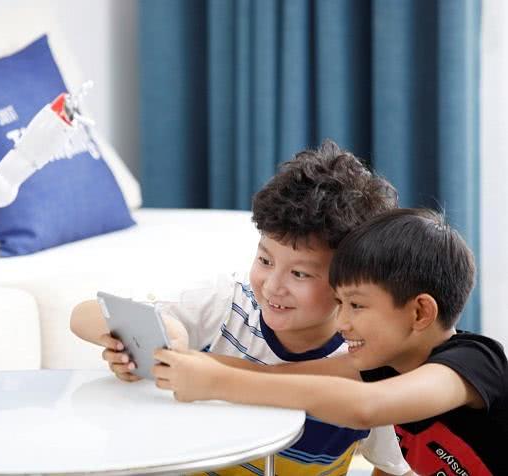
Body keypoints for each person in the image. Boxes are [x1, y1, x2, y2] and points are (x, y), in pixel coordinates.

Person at [71, 140, 411, 475]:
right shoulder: (227, 304)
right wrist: (150, 339)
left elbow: (393, 467)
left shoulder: (370, 360)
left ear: (351, 282)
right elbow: (82, 315)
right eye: (265, 260)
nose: (273, 285)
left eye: (300, 274)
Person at [154, 208, 508, 475]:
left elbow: (365, 407)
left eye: (356, 305)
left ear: (419, 313)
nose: (341, 323)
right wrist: (177, 360)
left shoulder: (476, 361)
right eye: (339, 304)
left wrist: (215, 382)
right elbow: (279, 375)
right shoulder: (383, 366)